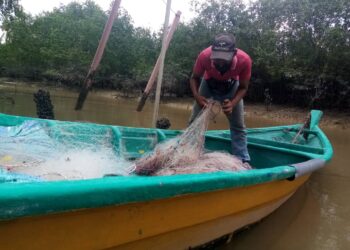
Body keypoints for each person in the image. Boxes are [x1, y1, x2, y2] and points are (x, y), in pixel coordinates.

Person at [189, 33, 252, 164]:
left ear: (234, 53)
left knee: (238, 126)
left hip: (232, 86)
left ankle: (242, 160)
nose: (220, 62)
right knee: (195, 121)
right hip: (208, 84)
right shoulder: (204, 56)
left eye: (224, 59)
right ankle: (189, 153)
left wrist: (233, 103)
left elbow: (244, 87)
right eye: (217, 58)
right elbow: (194, 78)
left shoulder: (244, 60)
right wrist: (198, 97)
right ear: (212, 51)